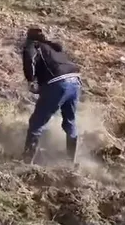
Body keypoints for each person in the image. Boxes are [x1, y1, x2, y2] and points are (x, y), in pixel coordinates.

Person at [21, 28, 82, 164]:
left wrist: (31, 81)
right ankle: (70, 161)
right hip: (75, 81)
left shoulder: (33, 46)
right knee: (70, 121)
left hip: (58, 83)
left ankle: (26, 161)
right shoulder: (53, 47)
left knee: (36, 123)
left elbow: (29, 61)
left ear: (29, 38)